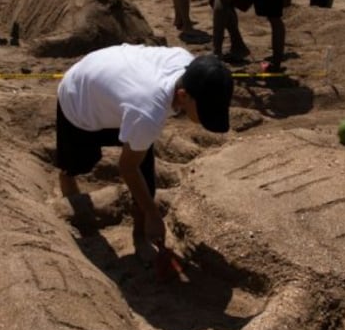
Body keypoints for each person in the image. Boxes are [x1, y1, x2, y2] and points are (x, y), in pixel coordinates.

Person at [55, 45, 233, 267]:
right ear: (183, 95)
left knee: (146, 178)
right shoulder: (148, 113)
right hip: (80, 97)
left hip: (114, 89)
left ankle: (139, 236)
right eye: (206, 112)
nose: (208, 119)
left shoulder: (188, 66)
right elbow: (127, 168)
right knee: (79, 163)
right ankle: (68, 187)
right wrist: (153, 213)